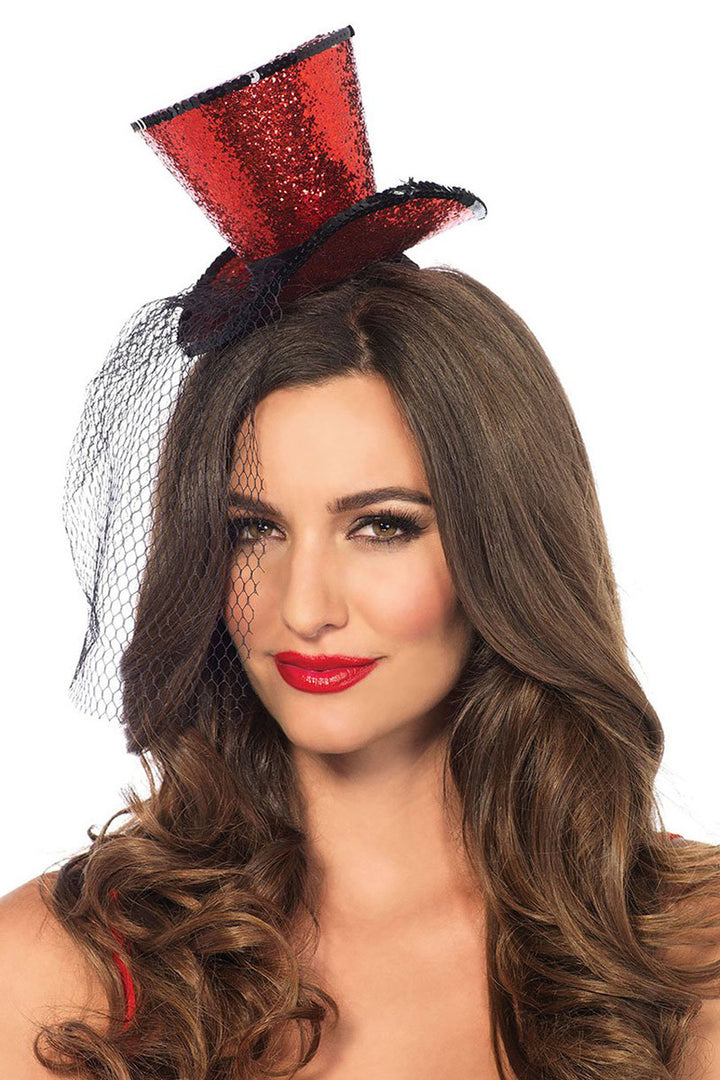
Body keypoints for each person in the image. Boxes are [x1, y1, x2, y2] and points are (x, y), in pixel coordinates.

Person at [2, 25, 720, 1080]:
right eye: (253, 529)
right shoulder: (56, 971)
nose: (305, 606)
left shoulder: (684, 953)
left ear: (502, 546)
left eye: (381, 525)